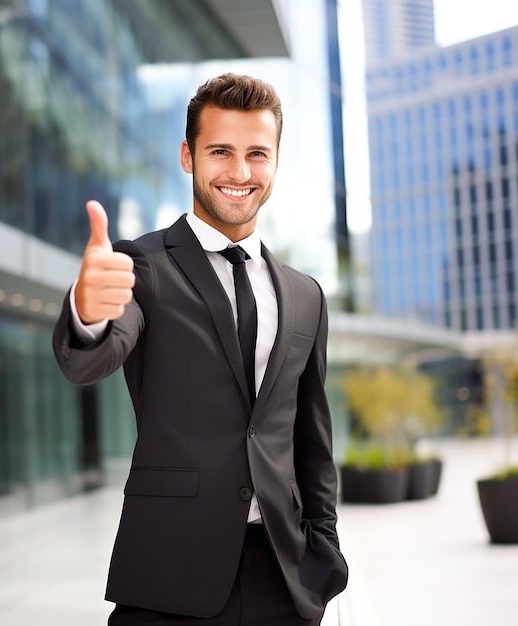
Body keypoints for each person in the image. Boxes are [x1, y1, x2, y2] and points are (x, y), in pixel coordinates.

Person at [53, 73, 348, 625]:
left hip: (285, 581)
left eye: (257, 153)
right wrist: (88, 311)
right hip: (169, 579)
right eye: (221, 151)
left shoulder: (305, 295)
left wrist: (323, 551)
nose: (240, 173)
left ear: (276, 161)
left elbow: (311, 440)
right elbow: (93, 356)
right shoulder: (143, 265)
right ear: (189, 156)